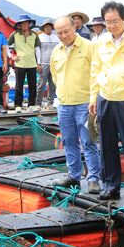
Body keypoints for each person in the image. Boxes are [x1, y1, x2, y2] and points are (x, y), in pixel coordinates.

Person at [89, 1, 124, 206]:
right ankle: (111, 186)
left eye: (116, 21)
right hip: (106, 97)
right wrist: (93, 97)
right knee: (107, 145)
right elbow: (95, 69)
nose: (112, 26)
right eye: (108, 22)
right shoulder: (100, 41)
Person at [50, 16, 101, 194]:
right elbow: (55, 75)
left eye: (66, 31)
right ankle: (73, 176)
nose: (63, 35)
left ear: (75, 28)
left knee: (89, 141)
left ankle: (93, 178)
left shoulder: (89, 47)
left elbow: (97, 74)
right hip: (64, 104)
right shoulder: (56, 51)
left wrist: (93, 99)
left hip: (85, 103)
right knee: (69, 141)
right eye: (59, 33)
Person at [8, 14, 40, 112]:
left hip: (32, 63)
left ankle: (31, 105)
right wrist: (11, 57)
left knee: (33, 85)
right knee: (19, 85)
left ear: (29, 24)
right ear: (20, 24)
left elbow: (37, 49)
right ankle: (18, 105)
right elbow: (5, 46)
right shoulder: (15, 34)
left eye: (26, 23)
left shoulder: (34, 35)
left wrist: (39, 63)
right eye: (23, 23)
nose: (25, 25)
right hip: (19, 63)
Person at [37, 19, 58, 108]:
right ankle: (38, 103)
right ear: (43, 28)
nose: (48, 28)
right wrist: (38, 63)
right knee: (41, 84)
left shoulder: (56, 37)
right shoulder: (40, 37)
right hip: (43, 63)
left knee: (53, 85)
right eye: (46, 27)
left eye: (49, 26)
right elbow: (37, 51)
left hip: (54, 64)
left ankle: (50, 102)